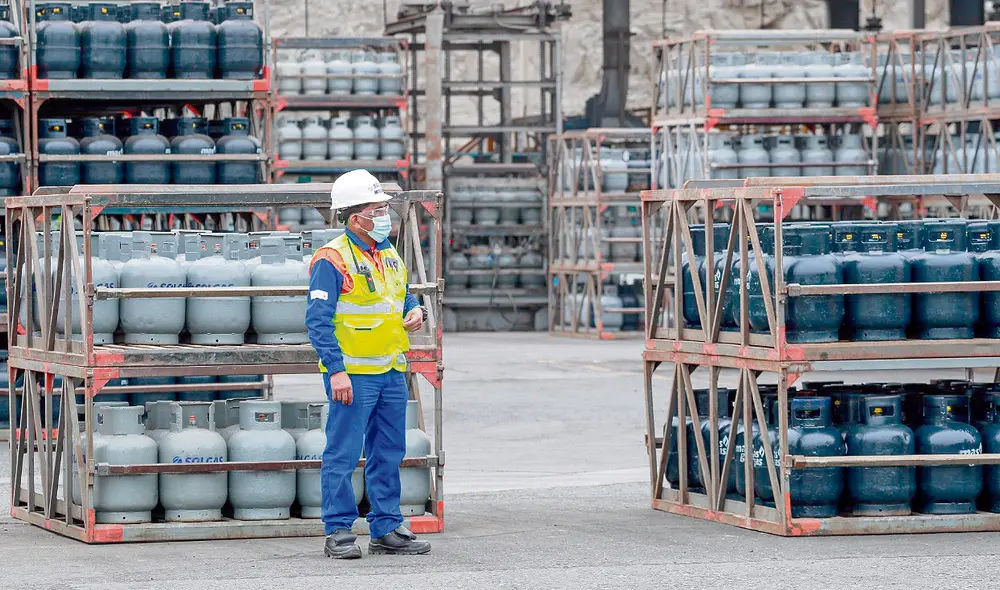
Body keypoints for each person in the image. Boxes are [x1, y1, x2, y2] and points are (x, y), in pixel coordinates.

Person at [305, 169, 431, 559]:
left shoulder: (388, 254)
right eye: (378, 210)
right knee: (342, 453)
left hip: (391, 371)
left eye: (385, 210)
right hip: (354, 375)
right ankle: (339, 531)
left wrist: (416, 311)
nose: (385, 217)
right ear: (355, 216)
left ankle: (386, 527)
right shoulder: (332, 259)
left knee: (388, 451)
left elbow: (403, 295)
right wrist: (336, 370)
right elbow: (317, 321)